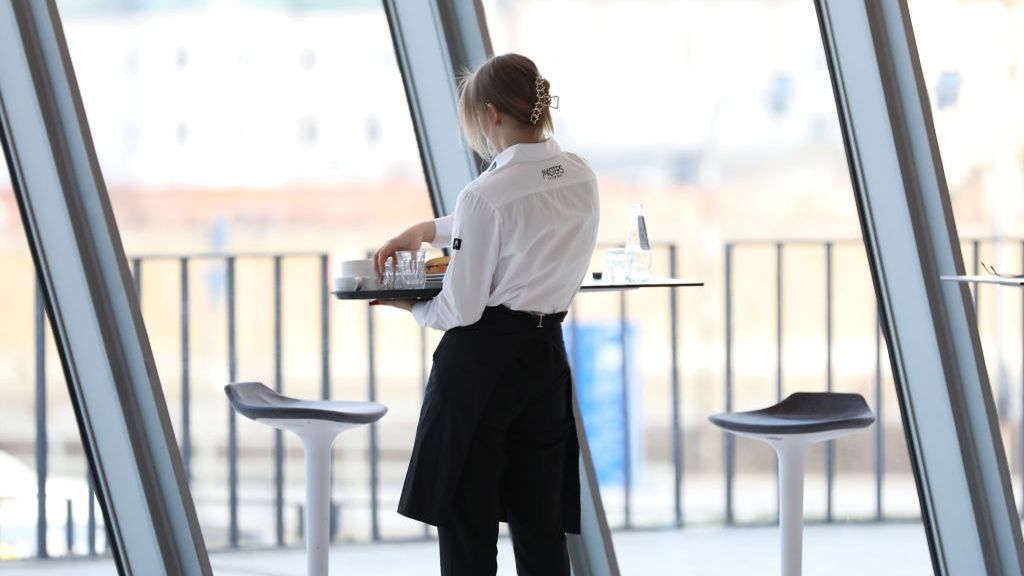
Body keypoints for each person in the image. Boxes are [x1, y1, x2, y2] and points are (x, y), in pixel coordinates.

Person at [372, 53, 599, 576]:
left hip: (480, 367)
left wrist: (413, 305)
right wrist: (428, 228)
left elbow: (460, 306)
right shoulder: (579, 176)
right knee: (540, 525)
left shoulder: (483, 194)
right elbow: (520, 210)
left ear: (491, 115)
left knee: (466, 521)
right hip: (544, 361)